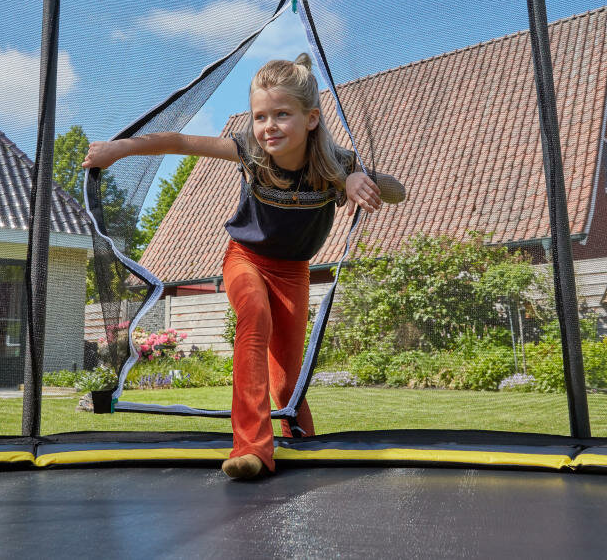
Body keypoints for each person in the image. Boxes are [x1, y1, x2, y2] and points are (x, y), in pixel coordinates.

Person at [82, 53, 385, 479]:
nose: (269, 127)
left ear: (311, 119)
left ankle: (301, 442)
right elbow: (181, 142)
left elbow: (390, 189)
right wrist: (118, 150)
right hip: (246, 259)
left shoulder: (336, 163)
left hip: (293, 271)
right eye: (261, 116)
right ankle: (251, 448)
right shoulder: (250, 151)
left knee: (286, 373)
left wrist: (355, 180)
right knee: (254, 318)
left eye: (282, 115)